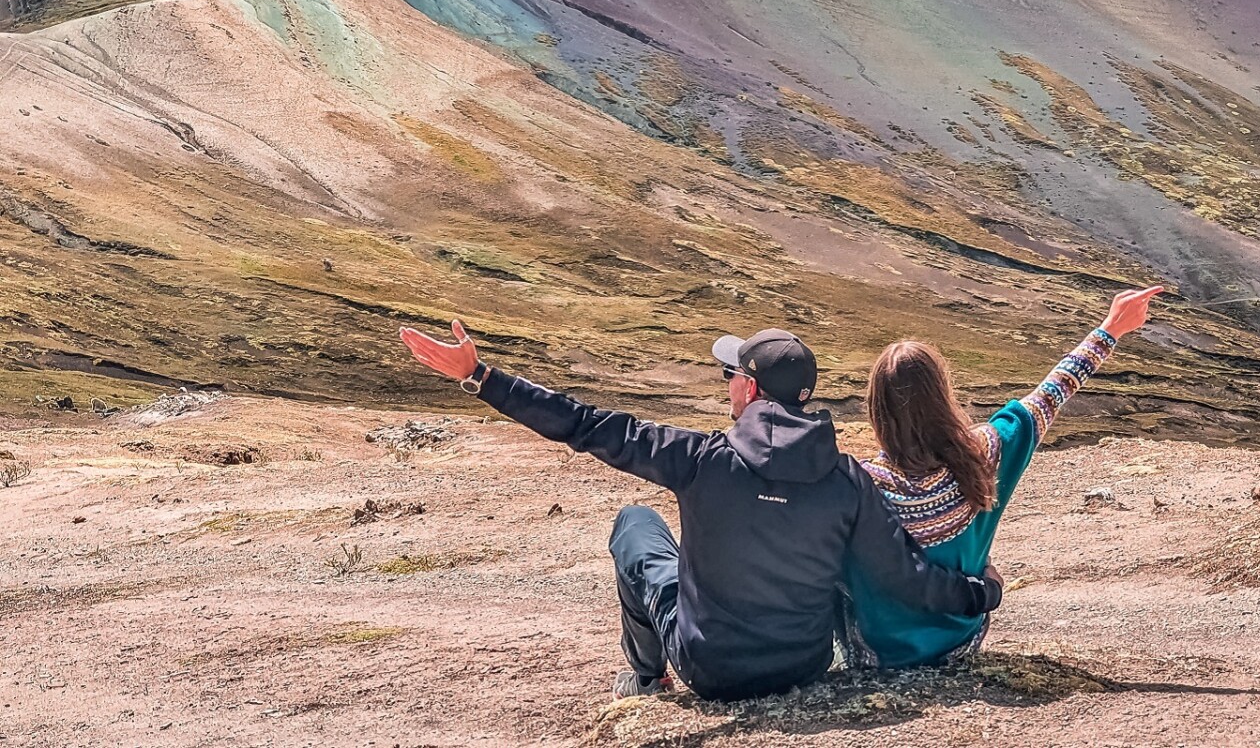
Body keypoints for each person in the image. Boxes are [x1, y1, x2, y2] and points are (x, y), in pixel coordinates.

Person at [397, 322, 1005, 702]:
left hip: (709, 670)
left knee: (635, 525)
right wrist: (981, 594)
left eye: (729, 374)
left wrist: (481, 376)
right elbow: (905, 578)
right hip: (806, 665)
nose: (726, 384)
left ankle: (646, 677)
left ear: (750, 389)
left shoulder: (698, 459)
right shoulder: (847, 480)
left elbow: (583, 426)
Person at [838, 286, 1163, 668]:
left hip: (876, 651)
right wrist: (1110, 329)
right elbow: (1053, 392)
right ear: (944, 395)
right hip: (961, 638)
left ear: (878, 408)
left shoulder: (857, 483)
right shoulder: (985, 454)